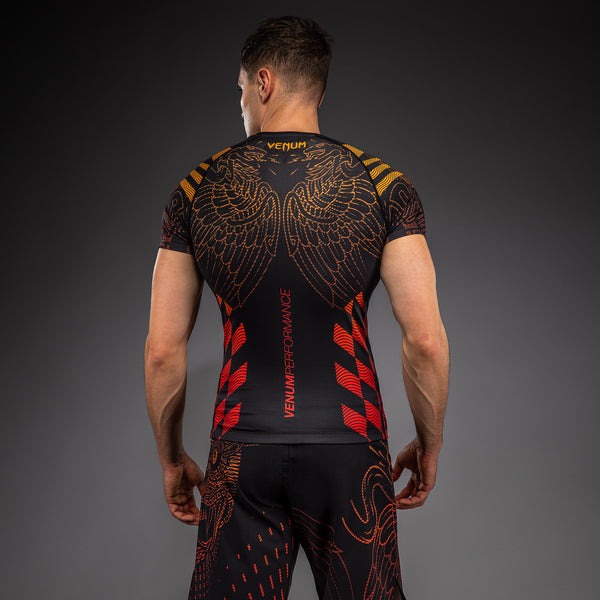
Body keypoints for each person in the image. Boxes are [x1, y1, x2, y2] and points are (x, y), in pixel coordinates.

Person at [144, 15, 449, 600]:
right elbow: (425, 340)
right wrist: (429, 445)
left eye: (240, 89)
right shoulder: (383, 185)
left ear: (263, 83)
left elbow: (162, 350)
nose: (241, 103)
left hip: (241, 450)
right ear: (319, 91)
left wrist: (171, 458)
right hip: (352, 447)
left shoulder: (196, 189)